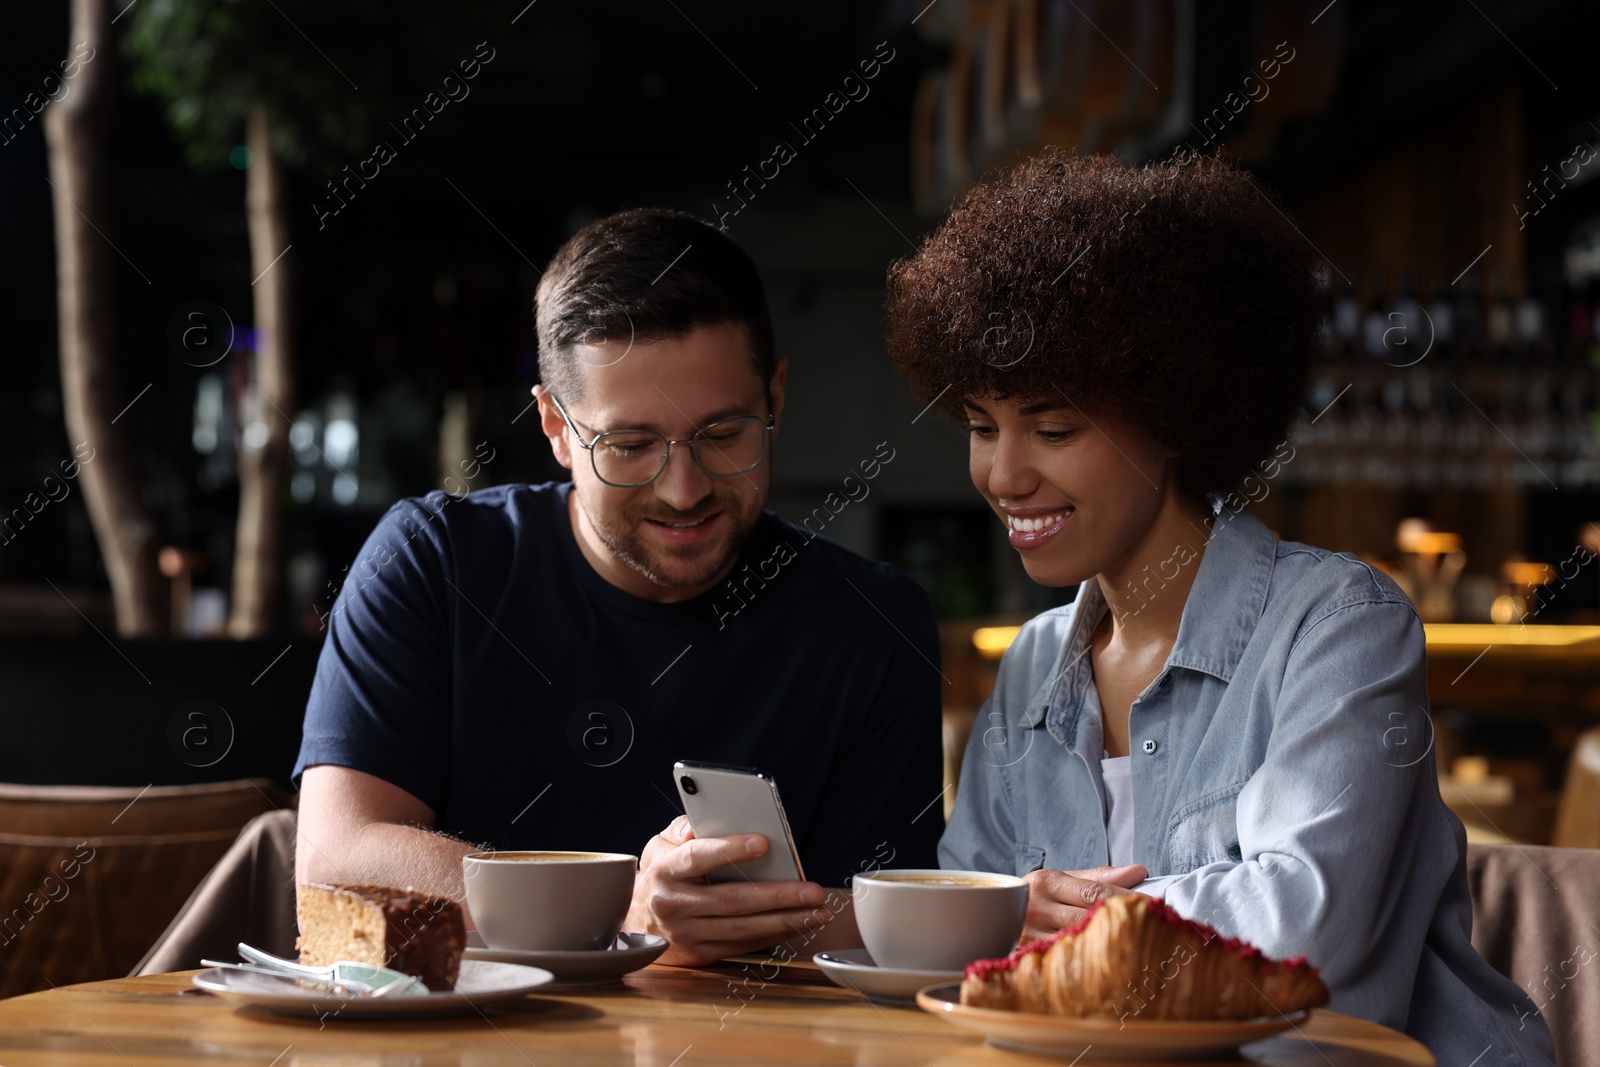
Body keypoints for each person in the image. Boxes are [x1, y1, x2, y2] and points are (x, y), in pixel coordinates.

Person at [883, 149, 1554, 1064]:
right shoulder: (1035, 665)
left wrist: (1042, 919)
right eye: (979, 427)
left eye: (1053, 427)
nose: (1004, 474)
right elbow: (956, 940)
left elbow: (1300, 940)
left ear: (1176, 413)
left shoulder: (1340, 625)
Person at [295, 208, 943, 965]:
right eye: (630, 445)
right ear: (556, 427)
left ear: (776, 398)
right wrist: (618, 907)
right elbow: (335, 860)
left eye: (724, 433)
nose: (683, 488)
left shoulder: (873, 624)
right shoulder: (435, 564)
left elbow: (894, 934)